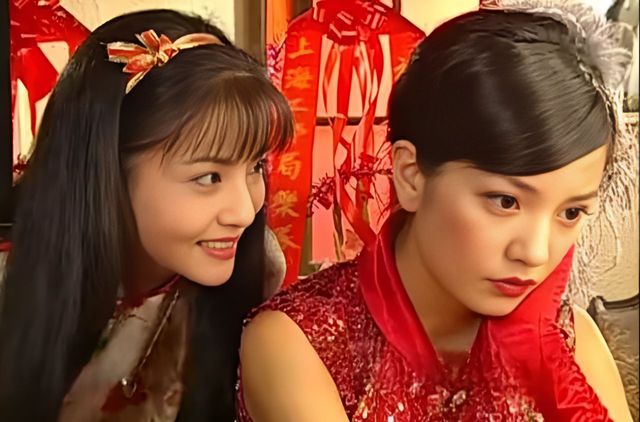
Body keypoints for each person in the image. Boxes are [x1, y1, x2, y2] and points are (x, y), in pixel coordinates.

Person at [237, 1, 635, 420]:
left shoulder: (572, 342)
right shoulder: (299, 342)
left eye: (570, 213)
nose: (535, 253)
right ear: (410, 176)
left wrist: (545, 367)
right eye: (505, 202)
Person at [0, 9, 293, 421]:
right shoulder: (10, 278)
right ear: (107, 169)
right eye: (209, 177)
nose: (245, 212)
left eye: (256, 166)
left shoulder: (257, 266)